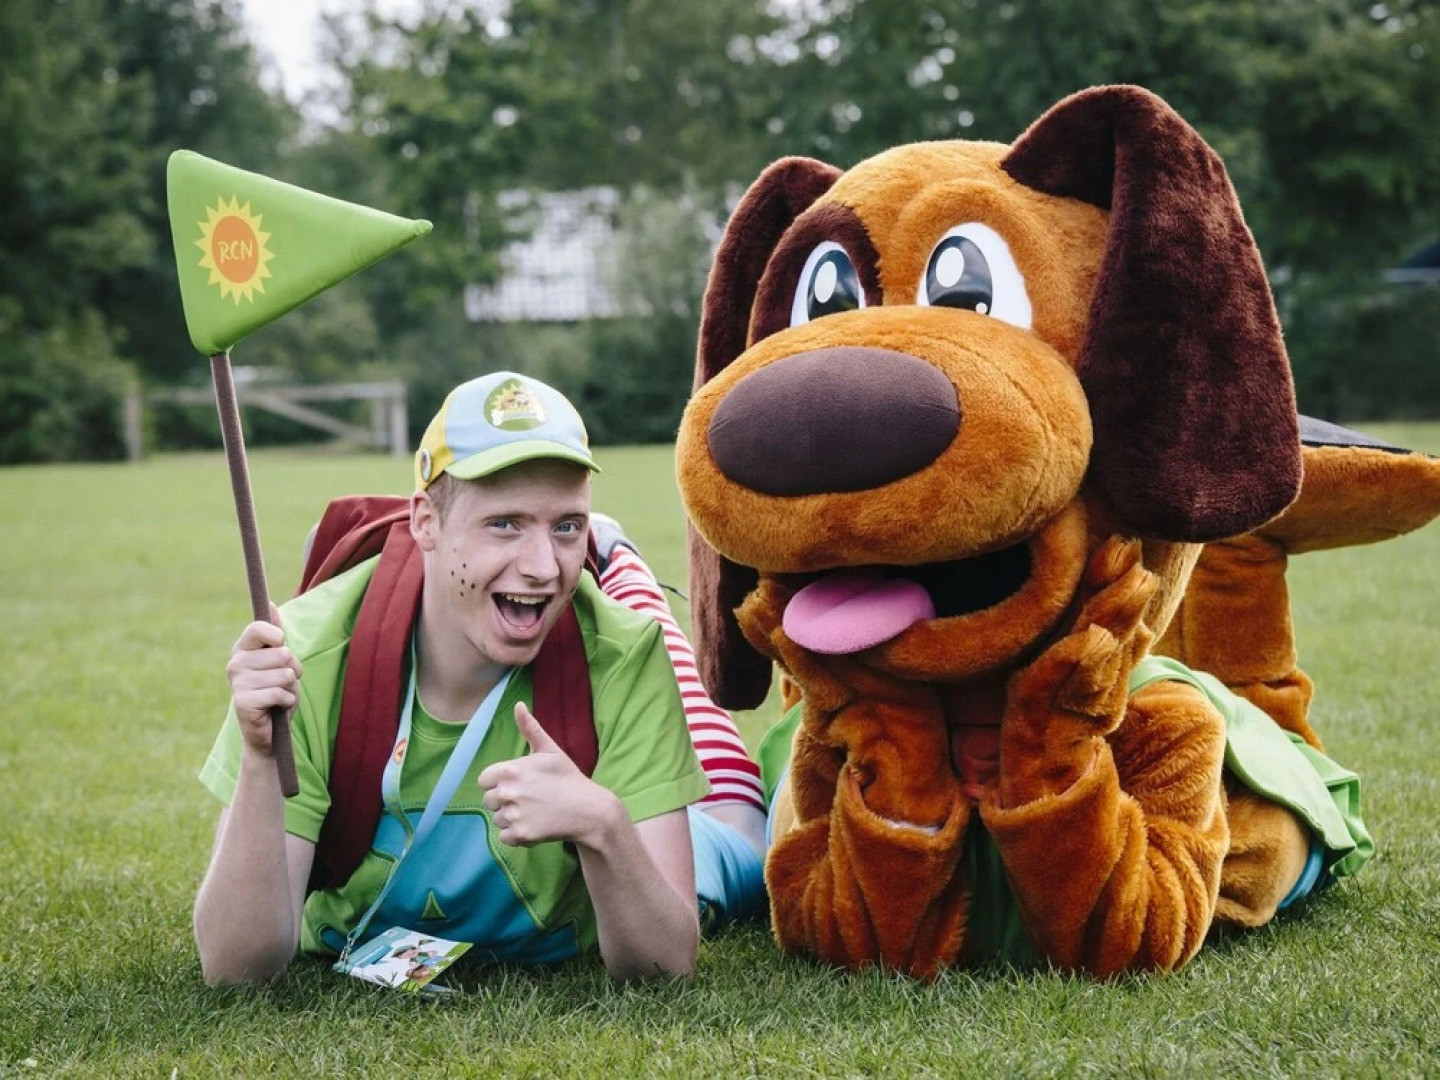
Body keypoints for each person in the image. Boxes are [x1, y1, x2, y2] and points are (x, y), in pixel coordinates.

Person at [194, 371, 764, 986]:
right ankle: (612, 557)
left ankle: (621, 566)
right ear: (424, 521)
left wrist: (602, 823)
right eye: (505, 523)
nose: (543, 566)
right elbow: (236, 972)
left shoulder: (623, 654)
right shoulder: (303, 653)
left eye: (566, 526)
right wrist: (260, 760)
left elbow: (665, 965)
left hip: (651, 802)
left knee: (745, 836)